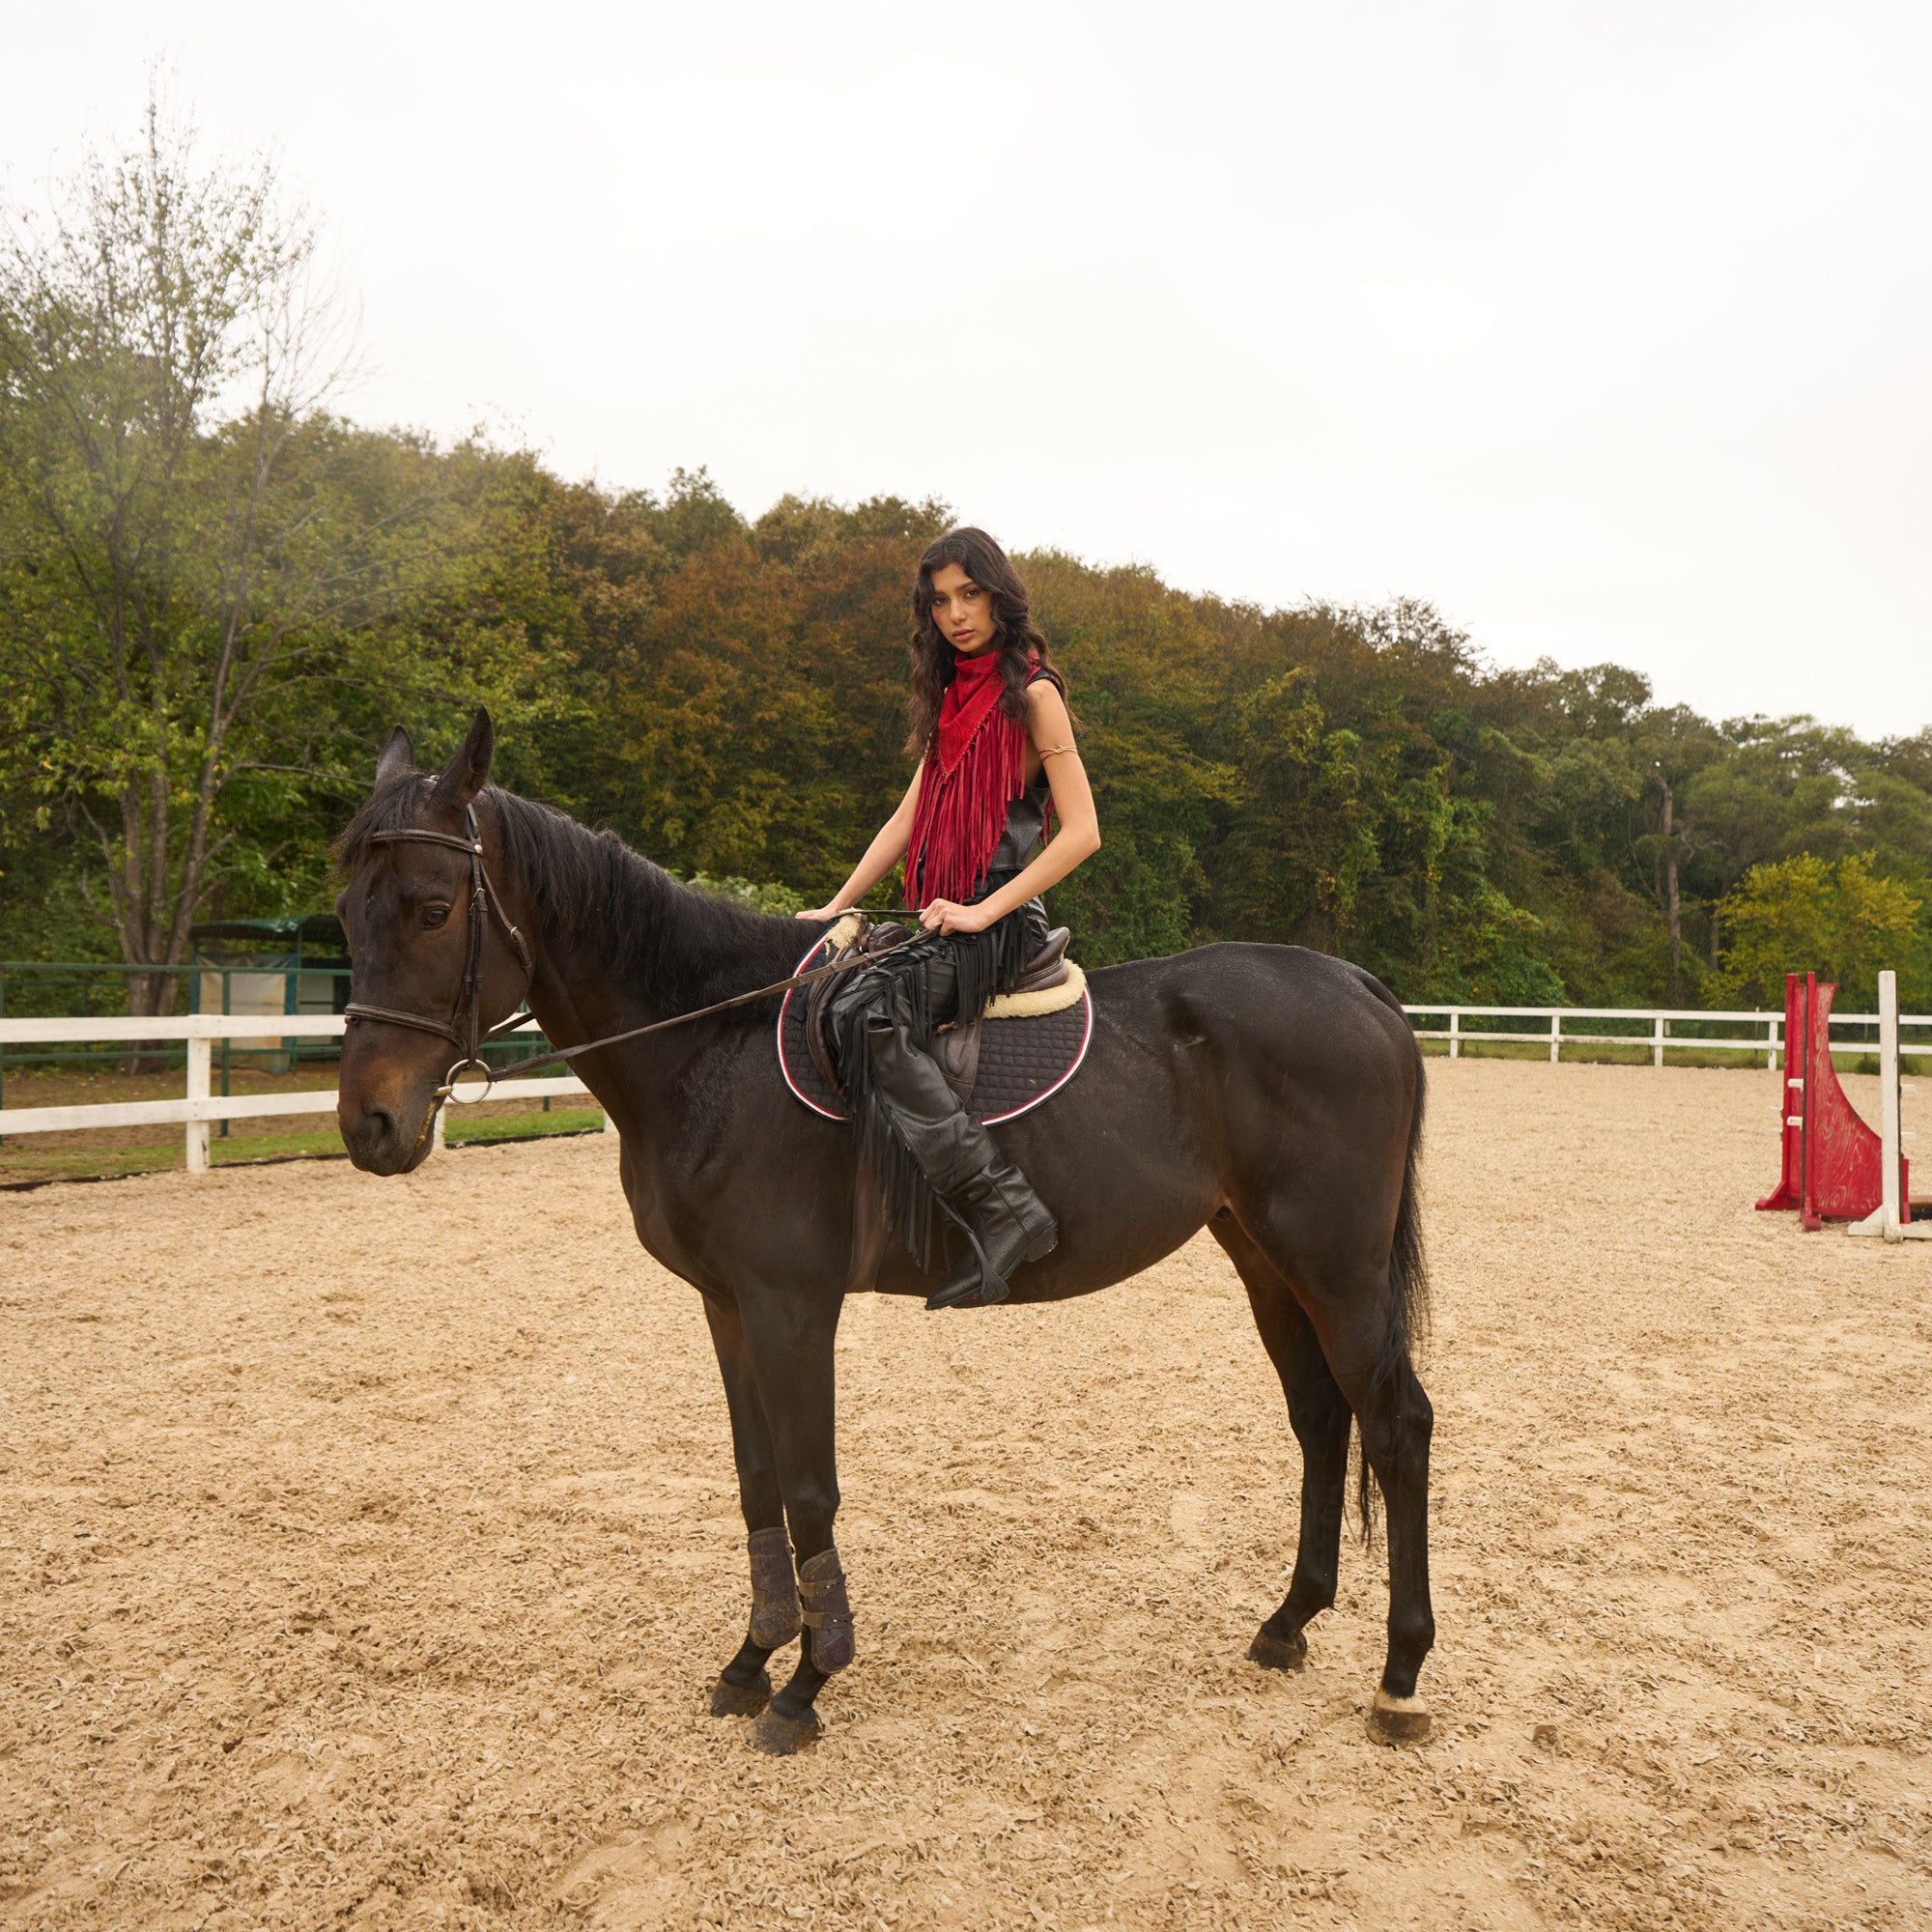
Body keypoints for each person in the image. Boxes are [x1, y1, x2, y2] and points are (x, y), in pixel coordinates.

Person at [797, 527, 1101, 1310]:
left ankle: (1003, 1206)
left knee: (870, 1013)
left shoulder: (1035, 696)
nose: (956, 614)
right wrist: (835, 906)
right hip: (941, 914)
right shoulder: (948, 700)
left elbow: (1083, 833)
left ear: (999, 594)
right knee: (833, 991)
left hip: (998, 921)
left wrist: (980, 911)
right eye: (940, 601)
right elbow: (907, 820)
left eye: (970, 594)